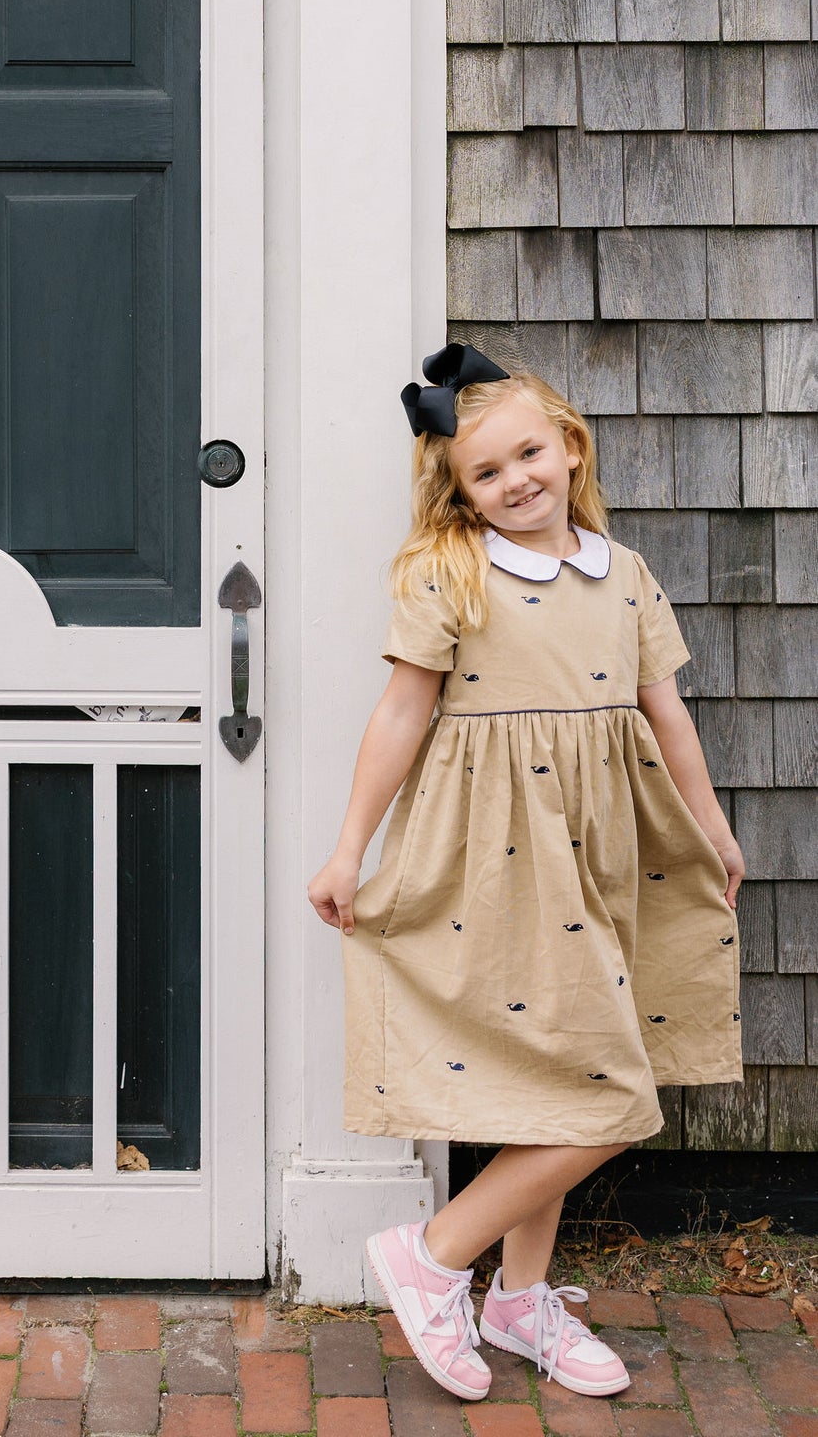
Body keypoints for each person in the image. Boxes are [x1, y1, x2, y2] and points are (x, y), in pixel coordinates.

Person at [307, 344, 744, 1402]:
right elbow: (401, 712)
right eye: (485, 472)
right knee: (604, 1092)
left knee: (563, 1075)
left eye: (528, 454)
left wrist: (711, 827)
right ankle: (434, 1253)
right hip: (500, 851)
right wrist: (348, 846)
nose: (515, 480)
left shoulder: (621, 573)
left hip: (607, 844)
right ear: (460, 491)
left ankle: (517, 1296)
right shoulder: (451, 572)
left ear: (569, 446)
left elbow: (665, 713)